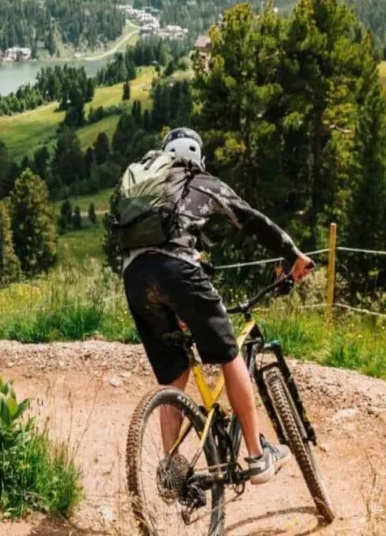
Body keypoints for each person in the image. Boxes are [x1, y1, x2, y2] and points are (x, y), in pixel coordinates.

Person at [122, 127, 314, 484]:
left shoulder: (150, 190)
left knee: (173, 376)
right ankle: (257, 457)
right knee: (229, 355)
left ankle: (173, 468)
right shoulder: (200, 180)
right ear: (198, 159)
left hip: (134, 278)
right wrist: (291, 254)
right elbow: (250, 219)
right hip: (177, 269)